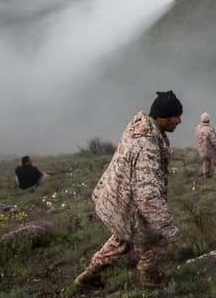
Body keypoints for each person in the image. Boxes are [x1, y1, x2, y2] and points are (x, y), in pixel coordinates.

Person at [74, 91, 183, 290]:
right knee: (157, 237)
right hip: (127, 205)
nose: (179, 120)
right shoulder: (146, 146)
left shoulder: (140, 129)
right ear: (162, 117)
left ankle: (90, 275)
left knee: (122, 239)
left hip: (115, 201)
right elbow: (147, 195)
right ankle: (149, 277)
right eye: (175, 116)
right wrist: (168, 228)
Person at [195, 112, 216, 178]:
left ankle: (206, 175)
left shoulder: (197, 128)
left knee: (206, 162)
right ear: (208, 120)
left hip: (201, 150)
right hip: (210, 150)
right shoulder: (209, 129)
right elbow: (213, 140)